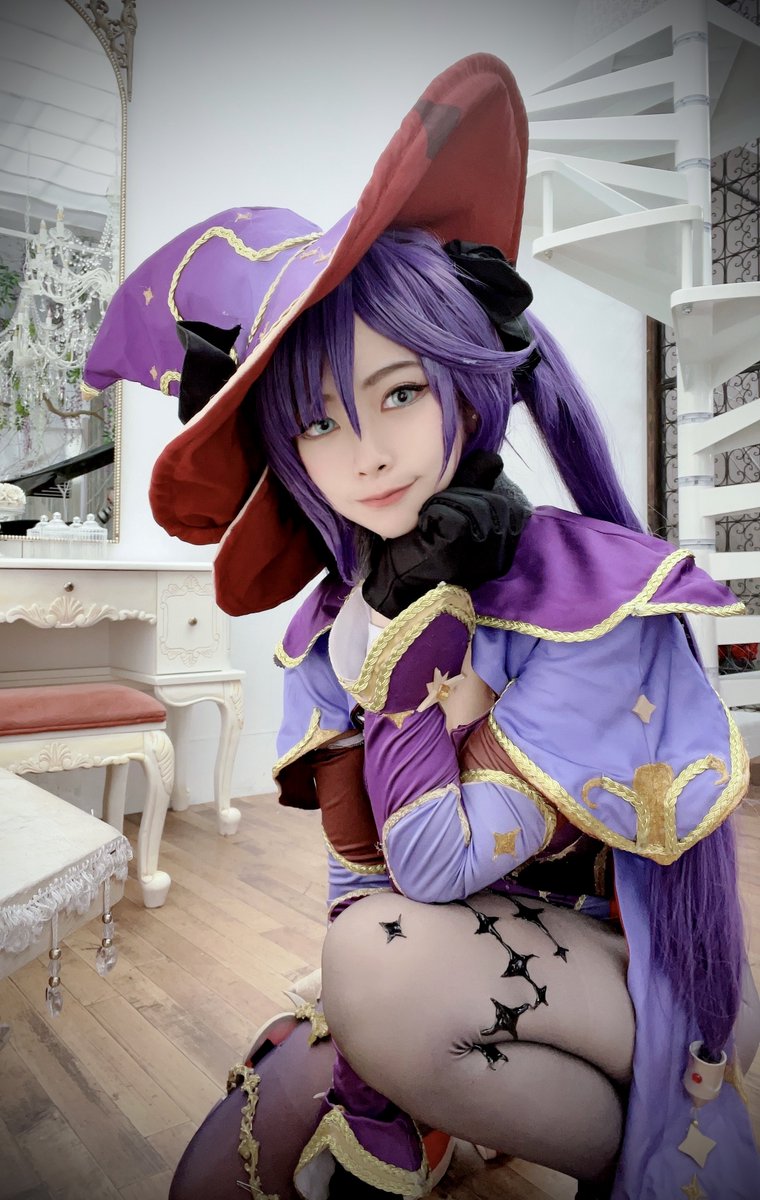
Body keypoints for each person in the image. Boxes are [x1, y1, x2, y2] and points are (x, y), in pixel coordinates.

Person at [85, 53, 760, 1200]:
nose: (367, 454)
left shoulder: (586, 596)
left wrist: (409, 651)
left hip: (644, 972)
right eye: (317, 422)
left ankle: (643, 1148)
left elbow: (434, 862)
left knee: (375, 974)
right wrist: (371, 1068)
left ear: (459, 381)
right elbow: (361, 875)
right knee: (248, 1126)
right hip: (479, 952)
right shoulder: (327, 630)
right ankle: (446, 1097)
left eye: (398, 391)